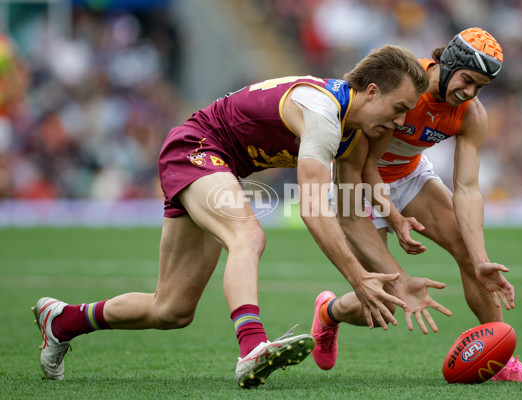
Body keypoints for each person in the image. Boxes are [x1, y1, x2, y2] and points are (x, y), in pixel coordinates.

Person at [32, 44, 452, 388]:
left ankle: (63, 320)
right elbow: (313, 208)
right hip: (196, 148)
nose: (401, 122)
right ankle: (252, 347)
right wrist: (357, 279)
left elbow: (347, 215)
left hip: (218, 167)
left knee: (171, 310)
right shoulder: (324, 114)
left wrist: (398, 277)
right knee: (248, 236)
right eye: (399, 108)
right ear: (373, 91)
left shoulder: (355, 135)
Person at [311, 28, 522, 382]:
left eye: (480, 87)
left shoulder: (471, 114)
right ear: (450, 61)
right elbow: (363, 164)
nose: (470, 92)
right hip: (357, 182)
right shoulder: (405, 86)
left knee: (471, 256)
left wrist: (482, 257)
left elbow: (468, 188)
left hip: (410, 178)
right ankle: (329, 312)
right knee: (383, 297)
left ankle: (500, 360)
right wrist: (394, 218)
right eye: (468, 80)